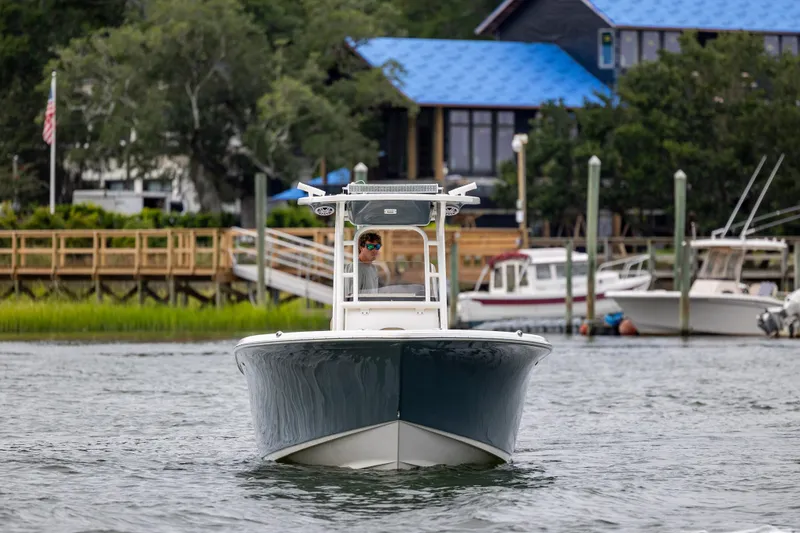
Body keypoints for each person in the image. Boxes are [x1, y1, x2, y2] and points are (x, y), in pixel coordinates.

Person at [344, 232, 382, 296]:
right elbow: (350, 298)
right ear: (361, 248)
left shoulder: (373, 268)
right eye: (370, 246)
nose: (374, 250)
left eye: (377, 246)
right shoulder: (355, 268)